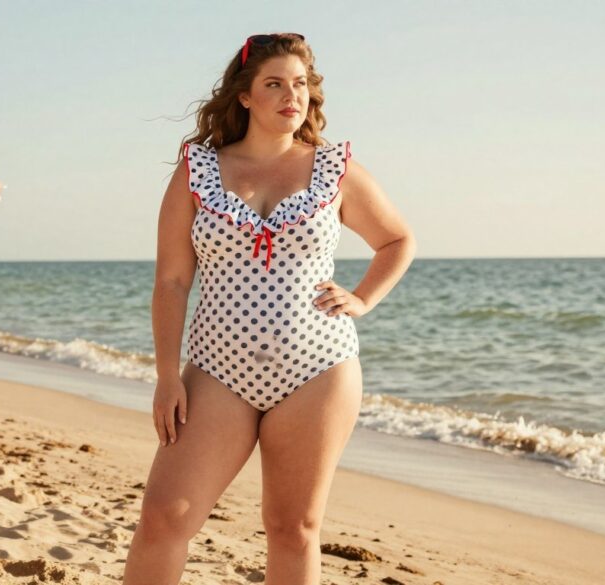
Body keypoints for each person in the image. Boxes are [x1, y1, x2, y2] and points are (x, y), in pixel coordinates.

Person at [123, 33, 416, 584]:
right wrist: (166, 376)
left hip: (318, 370)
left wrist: (362, 297)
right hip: (216, 371)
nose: (292, 95)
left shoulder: (334, 168)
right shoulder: (198, 170)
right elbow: (171, 280)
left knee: (293, 527)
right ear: (245, 97)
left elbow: (397, 240)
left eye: (300, 84)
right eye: (275, 84)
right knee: (164, 517)